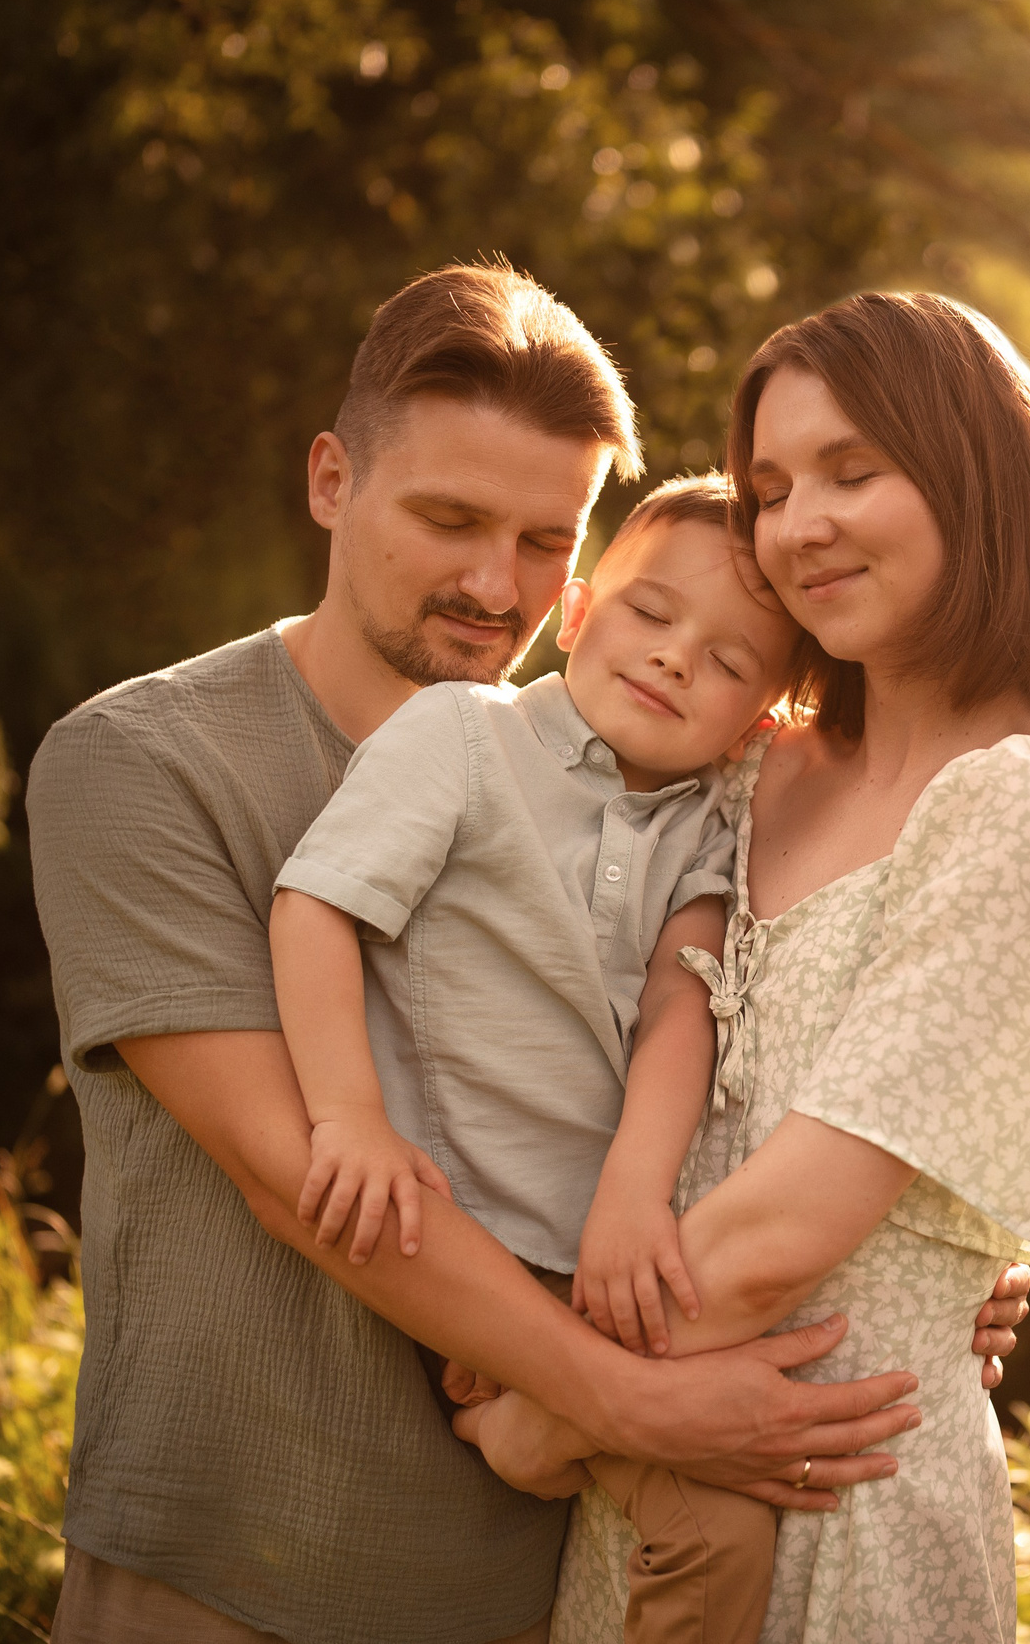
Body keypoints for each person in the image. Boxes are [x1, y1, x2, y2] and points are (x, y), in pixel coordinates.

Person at [26, 262, 1029, 1644]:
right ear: (330, 479)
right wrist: (623, 1397)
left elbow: (750, 1030)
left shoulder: (655, 778)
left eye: (545, 540)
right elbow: (295, 1172)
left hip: (527, 1577)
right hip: (229, 1562)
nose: (496, 584)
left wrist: (921, 1260)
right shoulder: (144, 763)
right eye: (448, 518)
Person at [468, 290, 1030, 1643]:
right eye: (774, 486)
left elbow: (784, 1235)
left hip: (841, 1488)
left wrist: (537, 1408)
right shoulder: (745, 764)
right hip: (643, 1486)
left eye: (855, 470)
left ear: (974, 474)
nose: (798, 526)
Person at [269, 474, 802, 1644]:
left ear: (762, 717)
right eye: (650, 614)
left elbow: (682, 1008)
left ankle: (530, 1425)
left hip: (602, 1265)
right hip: (463, 1251)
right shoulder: (465, 732)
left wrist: (628, 1194)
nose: (672, 659)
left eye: (726, 661)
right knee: (714, 1513)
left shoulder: (713, 820)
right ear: (574, 610)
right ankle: (512, 1411)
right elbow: (315, 904)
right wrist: (348, 1116)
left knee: (758, 1484)